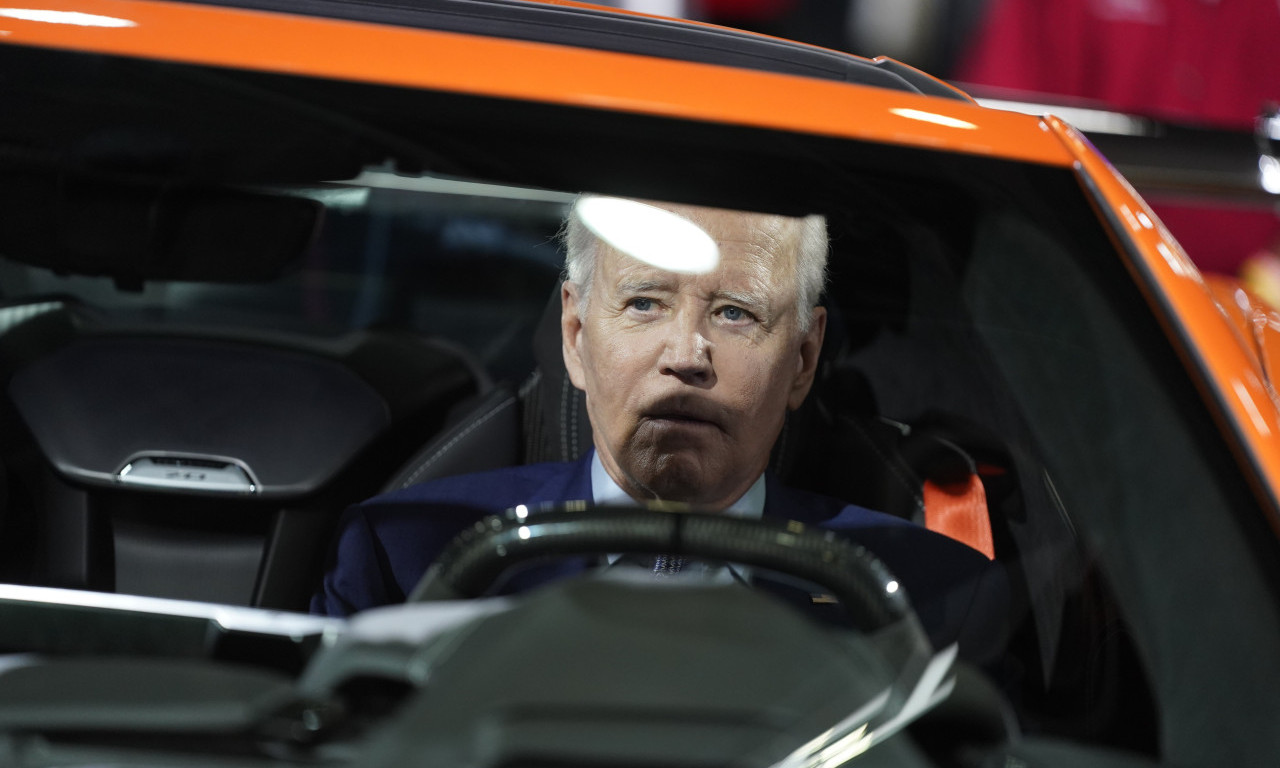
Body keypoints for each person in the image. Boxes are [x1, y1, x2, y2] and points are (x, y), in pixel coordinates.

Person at [312, 197, 1005, 656]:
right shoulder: (405, 557)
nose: (685, 354)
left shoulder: (937, 598)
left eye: (735, 313)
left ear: (803, 359)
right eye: (645, 302)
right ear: (575, 334)